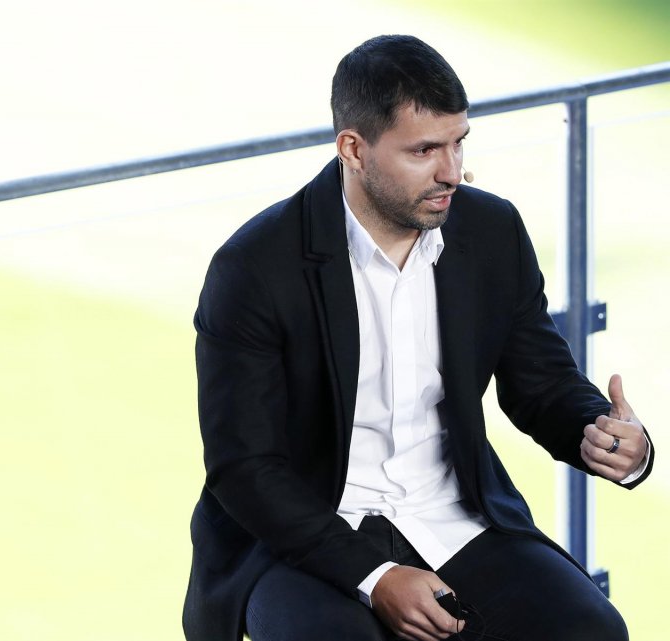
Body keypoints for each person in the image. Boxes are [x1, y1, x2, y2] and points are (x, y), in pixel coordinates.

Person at [182, 35, 654, 641]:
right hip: (301, 536)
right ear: (353, 149)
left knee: (592, 631)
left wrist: (600, 433)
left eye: (458, 143)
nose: (451, 172)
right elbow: (244, 468)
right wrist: (375, 576)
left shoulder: (491, 230)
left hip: (452, 516)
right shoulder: (254, 267)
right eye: (425, 150)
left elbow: (541, 384)